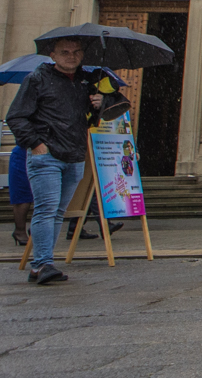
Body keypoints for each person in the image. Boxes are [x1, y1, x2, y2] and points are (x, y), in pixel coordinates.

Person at [6, 38, 120, 284]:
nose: (71, 56)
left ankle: (42, 264)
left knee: (58, 212)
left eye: (76, 52)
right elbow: (15, 117)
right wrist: (37, 144)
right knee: (46, 209)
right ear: (53, 55)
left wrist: (103, 102)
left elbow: (115, 108)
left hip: (75, 156)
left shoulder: (87, 82)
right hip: (46, 156)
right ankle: (42, 264)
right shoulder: (37, 80)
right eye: (65, 52)